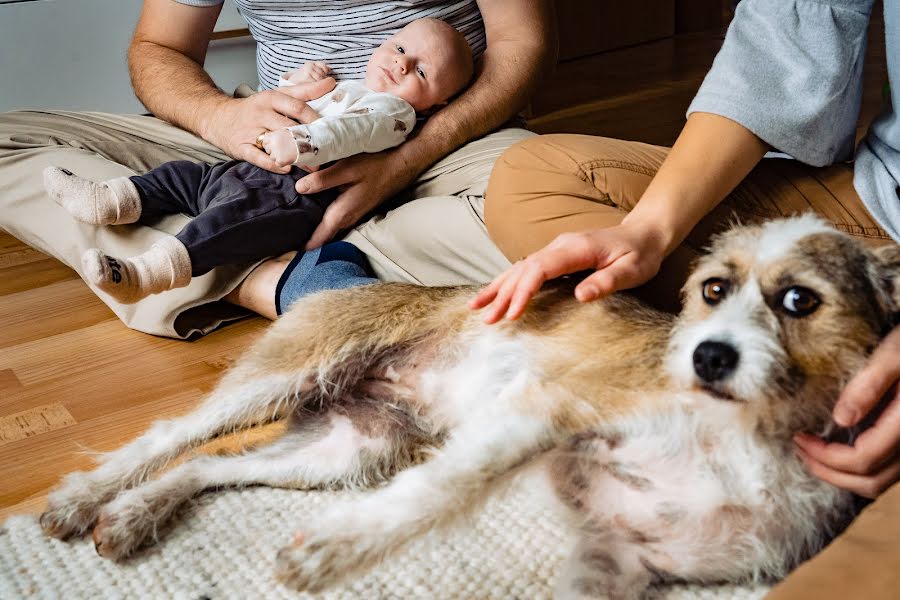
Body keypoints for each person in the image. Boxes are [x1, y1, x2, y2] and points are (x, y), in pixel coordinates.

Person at [471, 0, 899, 597]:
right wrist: (648, 231)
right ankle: (754, 353)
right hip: (875, 200)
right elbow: (783, 39)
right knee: (529, 176)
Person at [0, 0, 555, 337]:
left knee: (563, 220)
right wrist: (219, 117)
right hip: (257, 141)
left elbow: (522, 38)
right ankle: (280, 279)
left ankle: (216, 251)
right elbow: (159, 46)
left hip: (442, 140)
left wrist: (404, 158)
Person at [41, 18, 474, 304]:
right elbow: (158, 45)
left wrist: (302, 143)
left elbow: (349, 133)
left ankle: (147, 274)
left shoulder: (395, 114)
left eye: (420, 72)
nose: (401, 63)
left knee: (229, 220)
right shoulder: (349, 87)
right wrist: (295, 83)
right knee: (183, 177)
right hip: (243, 161)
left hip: (289, 192)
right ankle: (113, 200)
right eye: (399, 47)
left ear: (439, 102)